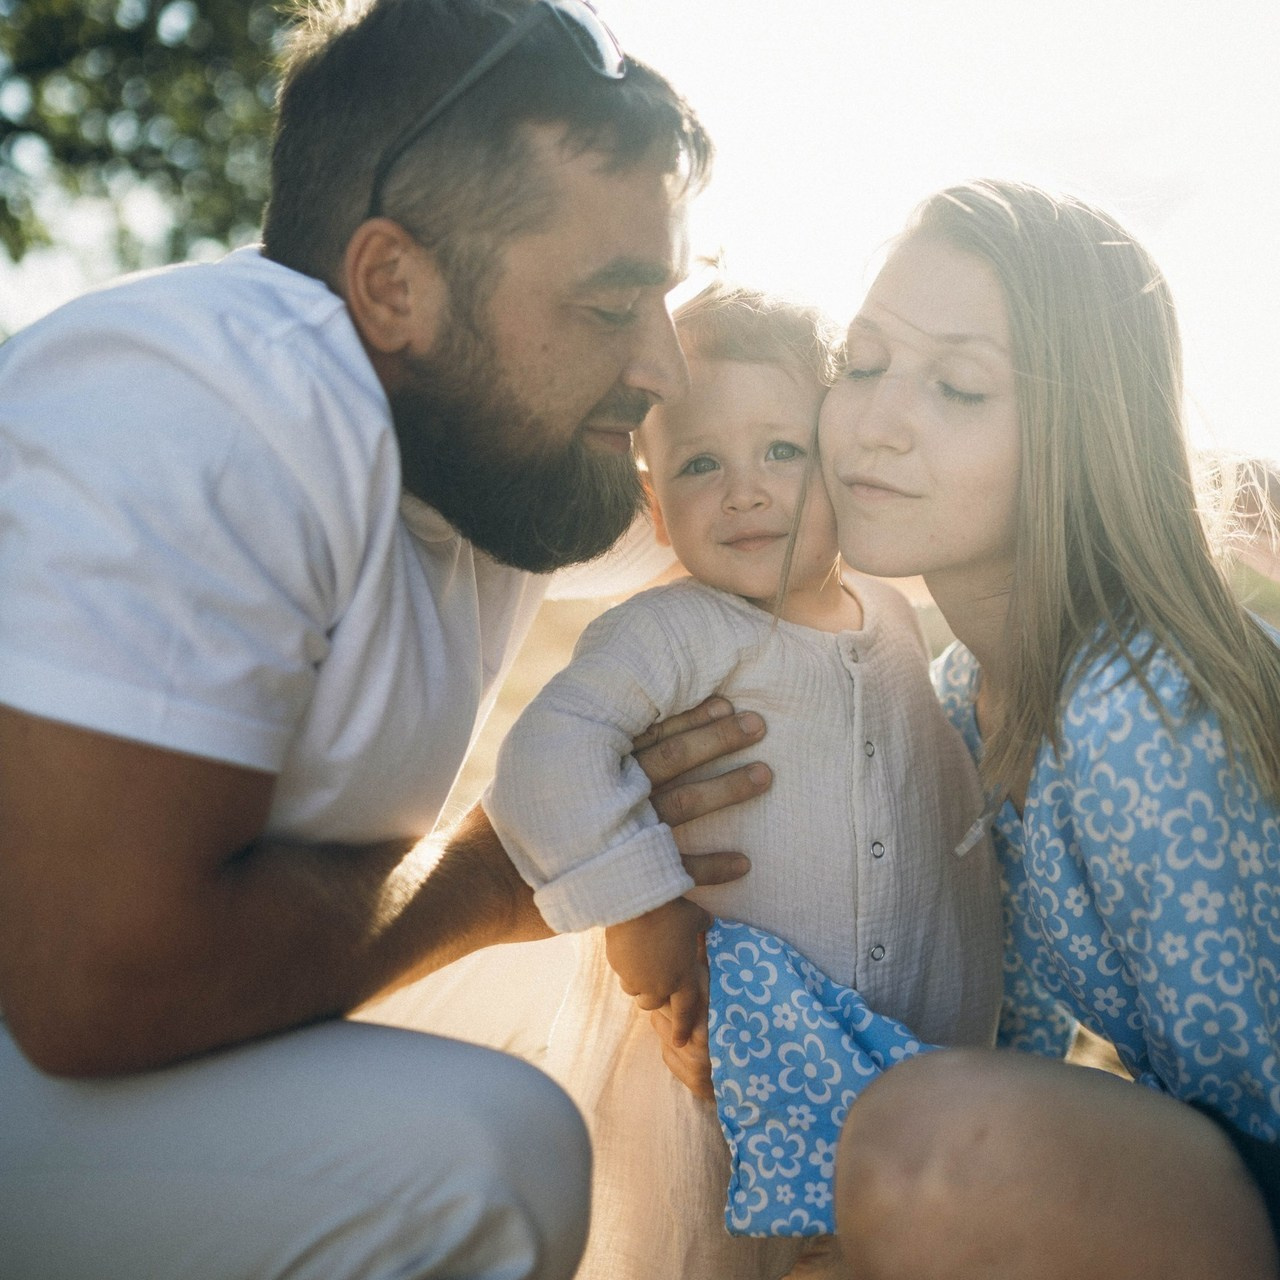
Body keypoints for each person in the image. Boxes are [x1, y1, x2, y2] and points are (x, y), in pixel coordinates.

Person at [0, 3, 769, 1276]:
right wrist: (496, 873)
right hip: (53, 1017)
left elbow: (765, 509)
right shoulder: (209, 408)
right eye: (611, 302)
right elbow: (101, 987)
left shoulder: (488, 449)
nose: (662, 366)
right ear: (392, 284)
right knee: (481, 1153)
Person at [483, 282, 1003, 1279]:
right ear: (654, 501)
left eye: (780, 450)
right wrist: (642, 915)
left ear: (838, 460)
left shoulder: (891, 612)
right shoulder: (675, 628)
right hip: (726, 1085)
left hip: (904, 1075)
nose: (745, 490)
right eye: (699, 463)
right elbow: (545, 756)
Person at [812, 180, 1280, 1278]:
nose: (876, 420)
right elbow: (1003, 1024)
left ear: (1079, 432)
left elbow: (1254, 1081)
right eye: (862, 360)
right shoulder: (963, 689)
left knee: (922, 1151)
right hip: (1227, 1168)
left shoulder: (1132, 710)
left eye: (959, 387)